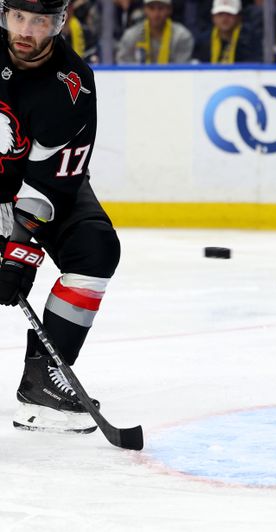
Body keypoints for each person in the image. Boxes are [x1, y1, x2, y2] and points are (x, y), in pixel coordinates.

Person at [0, 0, 121, 433]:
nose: (26, 31)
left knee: (95, 248)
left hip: (37, 186)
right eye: (18, 17)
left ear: (59, 23)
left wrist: (17, 250)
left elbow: (51, 182)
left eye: (39, 21)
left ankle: (42, 383)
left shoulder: (72, 84)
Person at [116, 0, 194, 64]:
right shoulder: (131, 35)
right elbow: (124, 67)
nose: (156, 14)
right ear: (144, 10)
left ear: (169, 10)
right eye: (151, 8)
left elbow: (182, 71)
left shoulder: (182, 36)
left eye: (161, 8)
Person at [193, 0, 262, 63]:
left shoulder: (251, 39)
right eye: (220, 14)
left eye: (229, 14)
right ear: (213, 17)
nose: (224, 19)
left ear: (239, 17)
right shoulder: (203, 41)